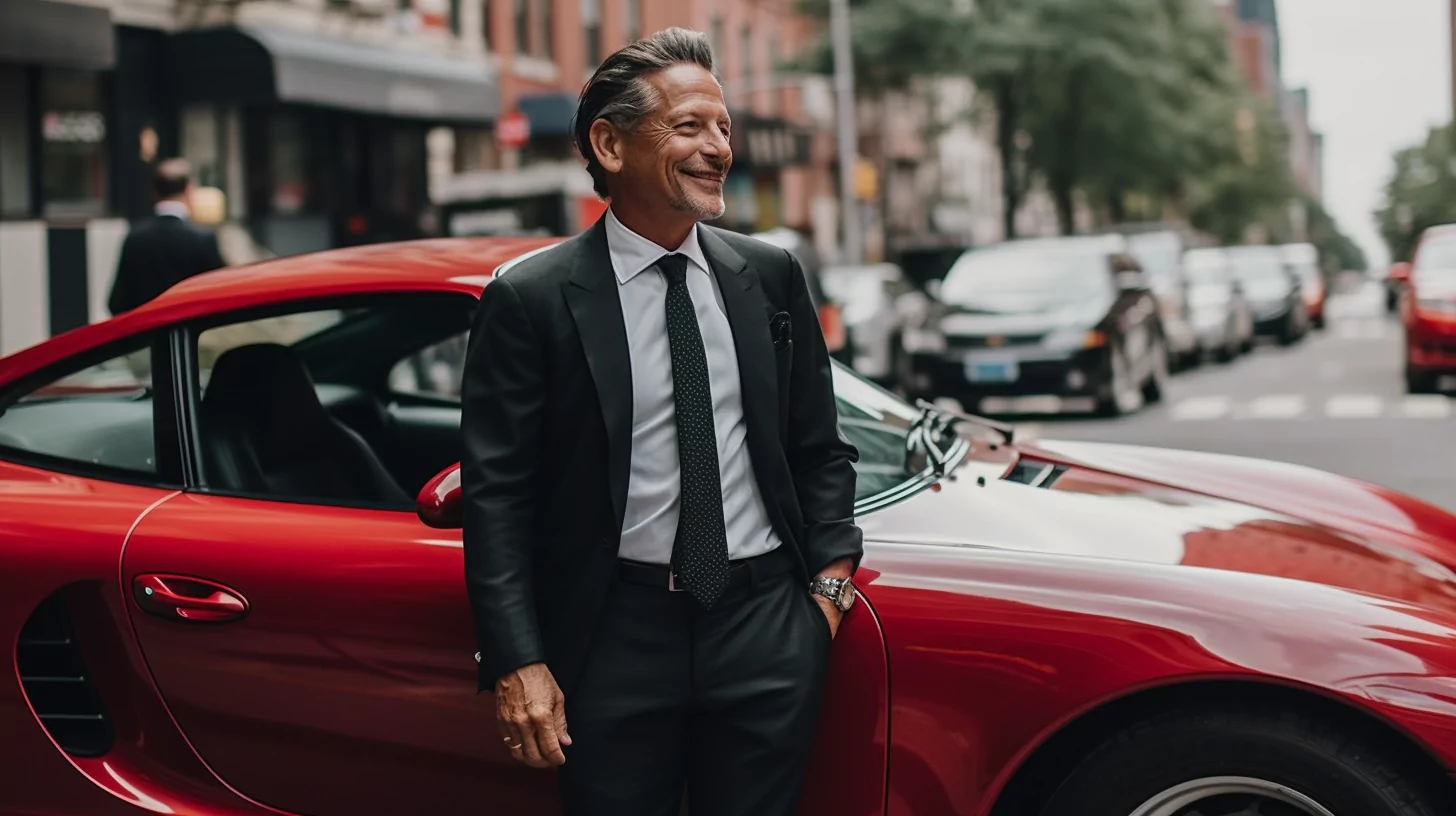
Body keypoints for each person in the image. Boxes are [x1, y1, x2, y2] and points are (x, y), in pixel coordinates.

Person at [460, 27, 863, 816]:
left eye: (723, 128)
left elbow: (820, 447)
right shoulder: (533, 298)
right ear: (610, 144)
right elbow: (497, 494)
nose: (717, 148)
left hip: (765, 627)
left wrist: (824, 599)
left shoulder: (770, 275)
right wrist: (519, 659)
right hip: (614, 635)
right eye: (689, 126)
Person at [108, 158, 226, 316]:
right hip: (190, 332)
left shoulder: (134, 238)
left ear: (155, 192)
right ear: (189, 189)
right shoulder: (203, 239)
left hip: (146, 334)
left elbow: (116, 302)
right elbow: (220, 294)